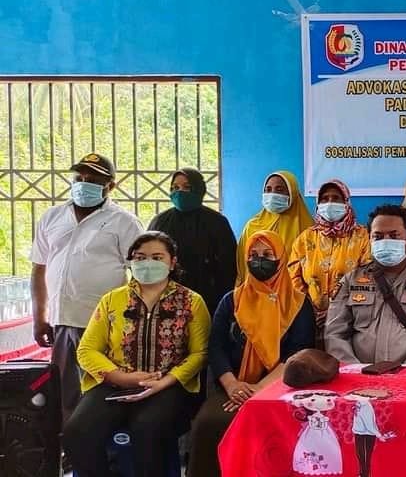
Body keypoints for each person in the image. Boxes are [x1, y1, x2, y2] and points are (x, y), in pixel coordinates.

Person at [63, 232, 210, 477]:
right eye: (140, 257)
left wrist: (165, 381)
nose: (148, 263)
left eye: (157, 257)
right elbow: (86, 350)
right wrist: (119, 377)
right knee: (76, 432)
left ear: (172, 262)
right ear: (131, 262)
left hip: (167, 387)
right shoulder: (112, 300)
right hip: (114, 385)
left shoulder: (191, 302)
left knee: (147, 429)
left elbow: (200, 353)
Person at [189, 230, 316, 477]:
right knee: (210, 423)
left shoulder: (299, 302)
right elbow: (216, 346)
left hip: (283, 385)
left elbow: (298, 352)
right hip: (233, 385)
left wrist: (260, 389)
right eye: (253, 255)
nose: (259, 261)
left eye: (267, 254)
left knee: (280, 426)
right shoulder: (232, 300)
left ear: (280, 258)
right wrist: (233, 385)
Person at [30, 153, 144, 423]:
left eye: (93, 180)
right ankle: (68, 441)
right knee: (64, 391)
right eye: (79, 177)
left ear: (110, 186)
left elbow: (140, 275)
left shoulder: (124, 222)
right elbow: (39, 269)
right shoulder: (52, 217)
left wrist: (132, 322)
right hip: (62, 322)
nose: (83, 183)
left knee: (102, 389)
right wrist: (39, 318)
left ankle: (102, 441)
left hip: (104, 325)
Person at [325, 205, 406, 364]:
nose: (386, 241)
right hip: (357, 374)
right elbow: (335, 334)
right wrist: (354, 370)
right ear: (369, 239)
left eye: (394, 236)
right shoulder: (351, 280)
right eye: (378, 237)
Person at [289, 179, 370, 346]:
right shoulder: (305, 239)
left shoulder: (363, 237)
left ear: (346, 202)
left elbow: (368, 277)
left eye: (336, 198)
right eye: (324, 199)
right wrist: (309, 311)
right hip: (310, 322)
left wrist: (336, 311)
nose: (330, 203)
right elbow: (293, 278)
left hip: (351, 321)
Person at [148, 167, 237, 315]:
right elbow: (149, 257)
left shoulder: (216, 222)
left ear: (199, 189)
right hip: (166, 297)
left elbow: (228, 265)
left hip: (208, 298)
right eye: (175, 187)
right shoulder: (160, 221)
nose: (180, 192)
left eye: (187, 187)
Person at [235, 171, 313, 283]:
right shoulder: (252, 226)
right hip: (256, 290)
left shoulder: (307, 228)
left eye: (279, 190)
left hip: (292, 290)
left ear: (292, 193)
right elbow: (242, 266)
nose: (272, 194)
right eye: (268, 189)